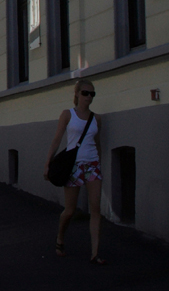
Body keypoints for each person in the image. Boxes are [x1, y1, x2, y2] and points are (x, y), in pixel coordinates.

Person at [43, 79, 105, 265]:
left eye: (92, 94)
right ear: (77, 94)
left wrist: (98, 163)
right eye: (85, 93)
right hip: (74, 166)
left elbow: (97, 142)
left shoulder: (96, 119)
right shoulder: (68, 115)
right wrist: (48, 164)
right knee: (70, 210)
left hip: (92, 165)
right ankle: (60, 238)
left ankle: (95, 253)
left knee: (95, 208)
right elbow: (56, 140)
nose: (89, 97)